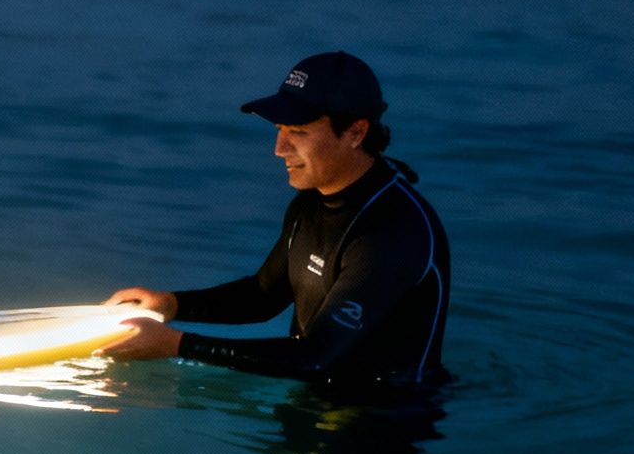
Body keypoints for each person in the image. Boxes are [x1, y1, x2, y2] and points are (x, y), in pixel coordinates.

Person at [100, 51, 451, 389]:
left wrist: (176, 345)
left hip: (387, 421)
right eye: (280, 129)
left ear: (356, 133)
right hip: (315, 397)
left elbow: (317, 357)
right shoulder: (310, 204)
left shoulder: (393, 230)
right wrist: (171, 304)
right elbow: (263, 295)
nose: (279, 148)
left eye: (298, 132)